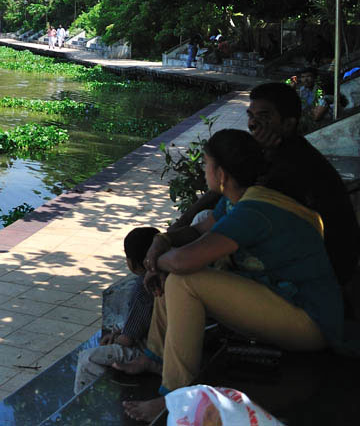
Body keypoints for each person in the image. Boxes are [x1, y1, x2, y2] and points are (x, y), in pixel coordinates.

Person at [119, 129, 342, 422]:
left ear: (220, 173)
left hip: (310, 322)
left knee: (186, 279)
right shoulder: (238, 200)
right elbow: (197, 231)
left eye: (206, 164)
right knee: (174, 273)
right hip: (282, 302)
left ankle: (175, 399)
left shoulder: (254, 211)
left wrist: (157, 260)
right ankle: (156, 360)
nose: (204, 170)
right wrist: (163, 240)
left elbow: (186, 260)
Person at [161, 82, 358, 287]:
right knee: (203, 221)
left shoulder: (291, 165)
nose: (253, 124)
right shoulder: (278, 153)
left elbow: (233, 191)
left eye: (264, 116)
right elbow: (224, 191)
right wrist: (174, 232)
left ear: (288, 124)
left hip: (321, 274)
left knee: (185, 278)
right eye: (251, 116)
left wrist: (168, 248)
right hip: (302, 261)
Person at [73, 227, 158, 393]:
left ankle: (85, 399)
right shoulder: (164, 276)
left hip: (147, 351)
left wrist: (116, 340)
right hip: (155, 342)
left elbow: (129, 339)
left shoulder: (144, 288)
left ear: (132, 263)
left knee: (87, 358)